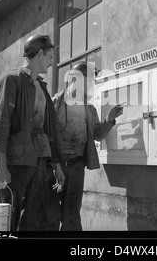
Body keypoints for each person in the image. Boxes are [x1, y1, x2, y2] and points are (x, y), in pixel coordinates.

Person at [0, 34, 65, 231]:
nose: (51, 62)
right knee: (5, 217)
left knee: (33, 217)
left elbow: (50, 130)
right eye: (49, 57)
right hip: (15, 162)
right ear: (39, 53)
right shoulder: (11, 80)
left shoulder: (42, 88)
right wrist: (0, 164)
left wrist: (56, 164)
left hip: (39, 161)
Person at [53, 61, 123, 231]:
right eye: (89, 80)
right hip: (54, 167)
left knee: (72, 216)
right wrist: (53, 165)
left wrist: (110, 119)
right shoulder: (55, 102)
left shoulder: (90, 109)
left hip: (76, 167)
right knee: (49, 213)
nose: (91, 85)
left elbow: (97, 134)